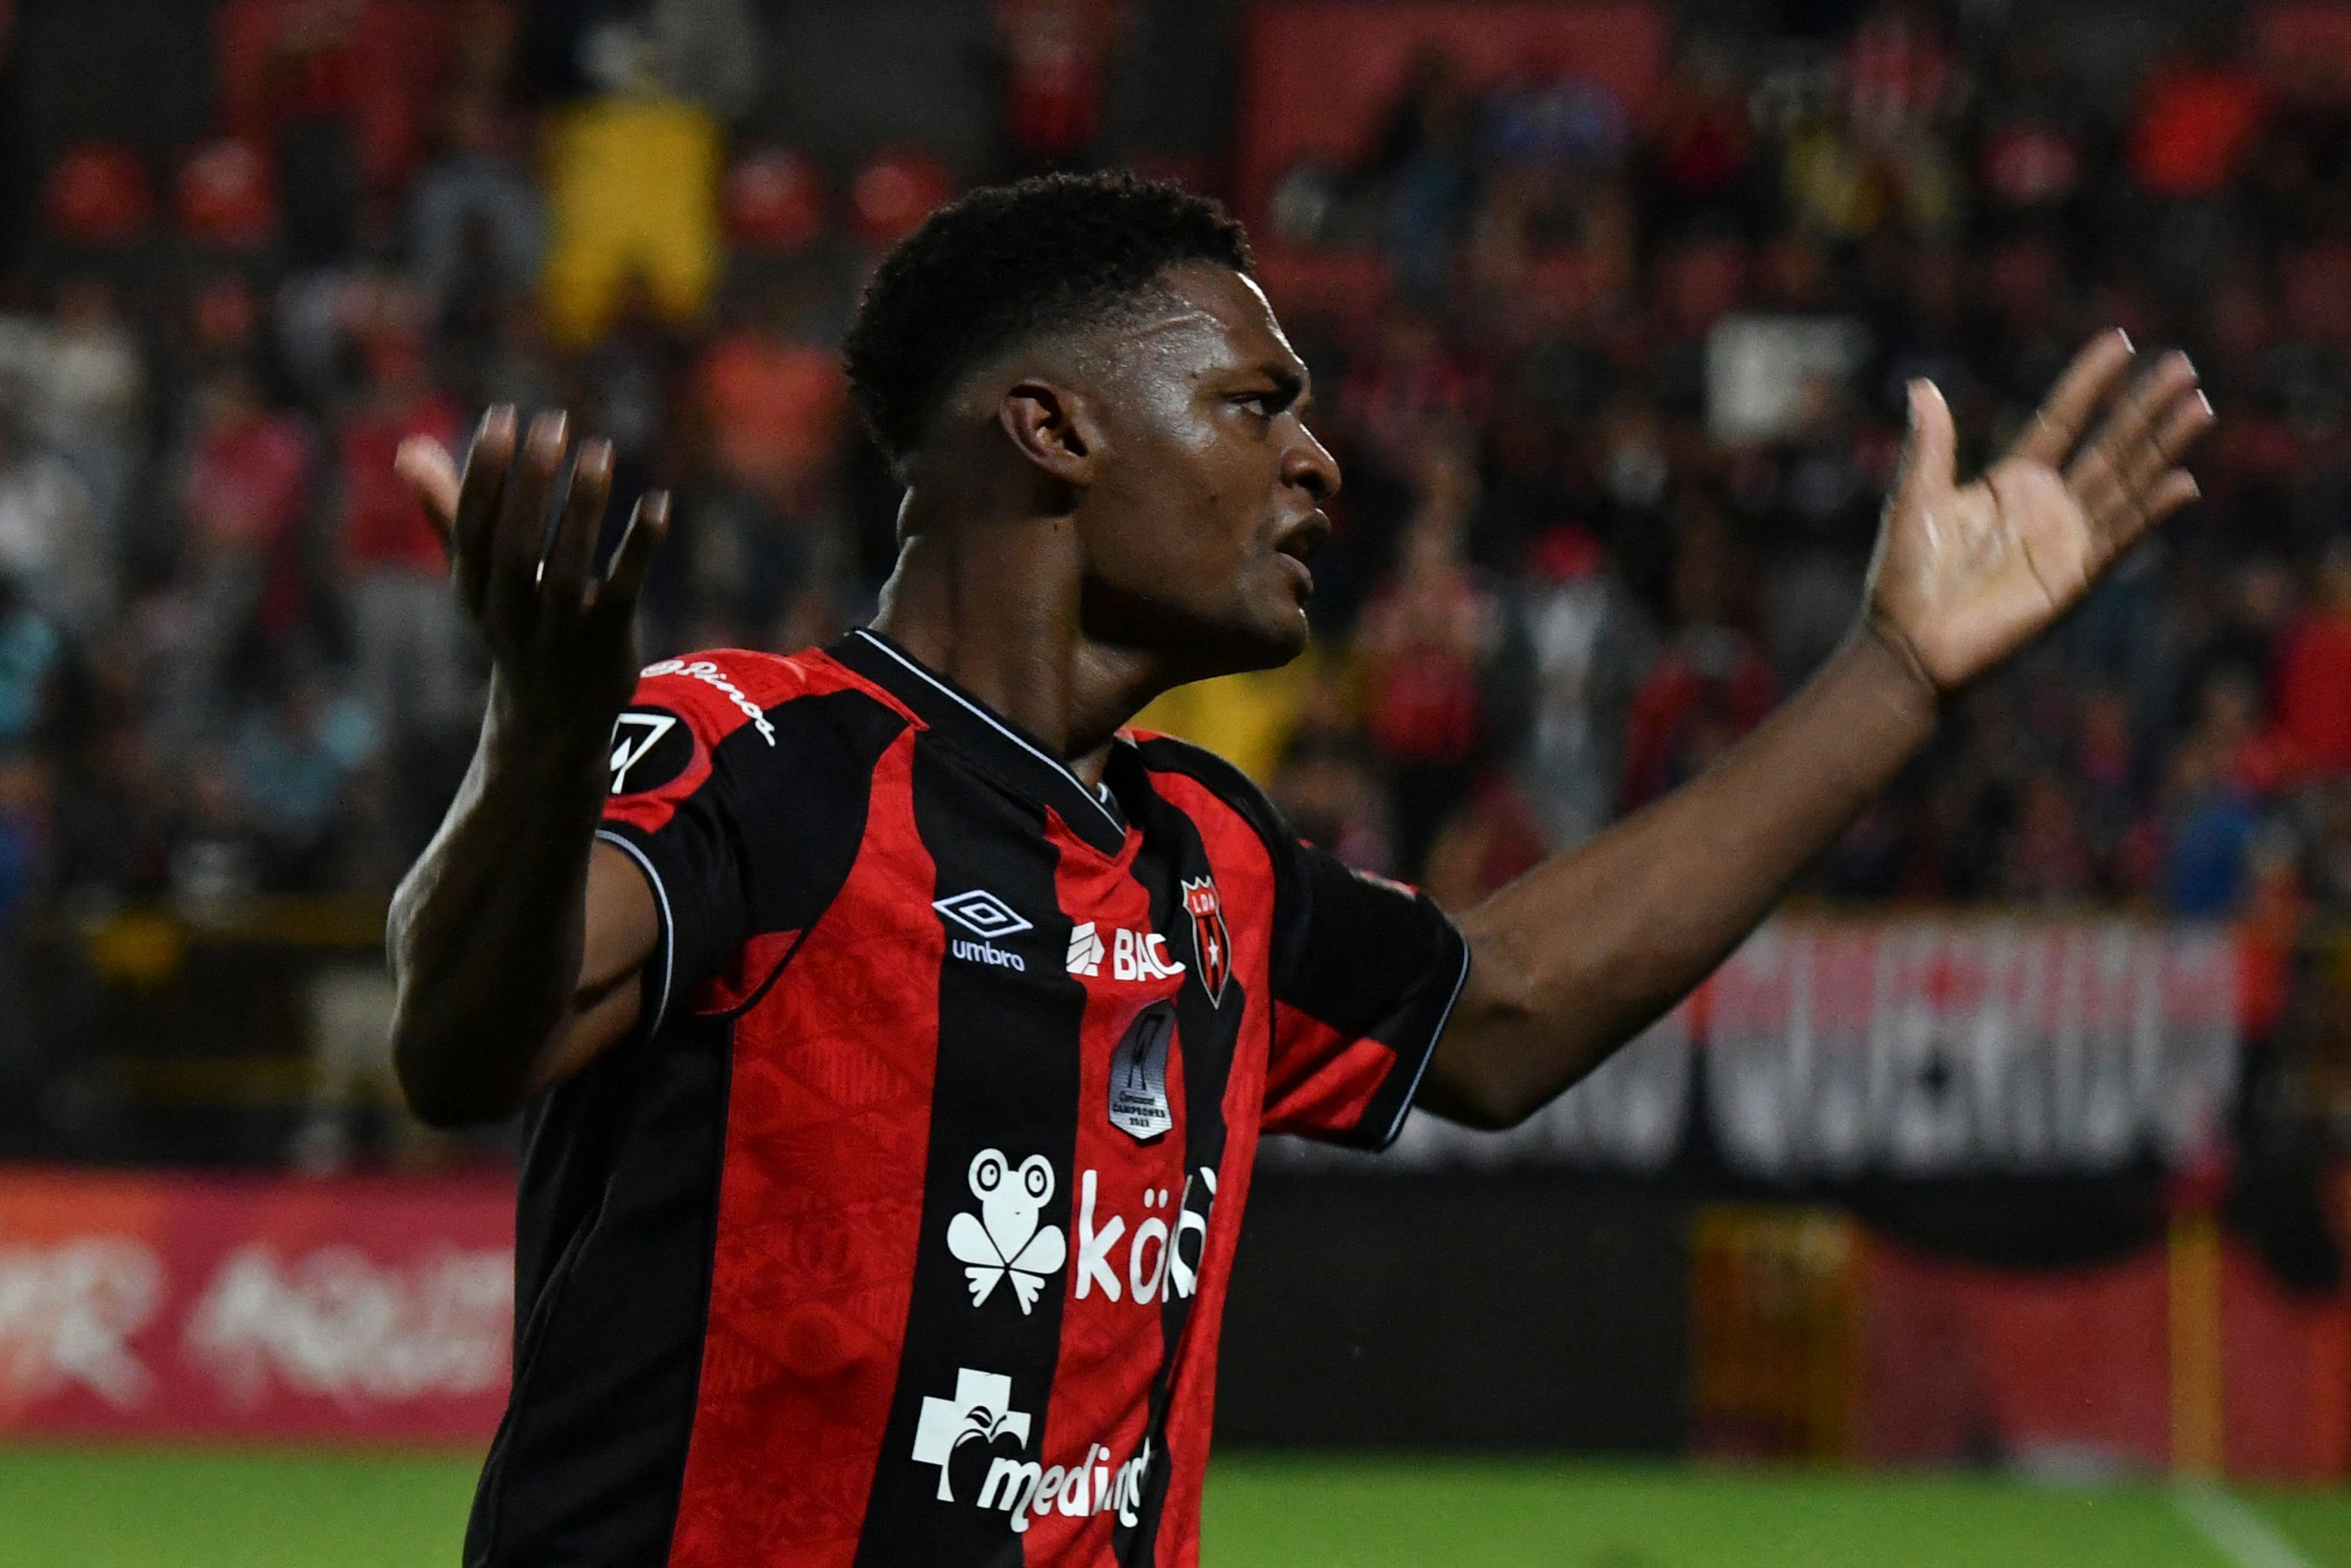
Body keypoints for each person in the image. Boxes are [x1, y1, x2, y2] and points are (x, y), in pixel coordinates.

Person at [386, 173, 2210, 1566]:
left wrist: (1894, 679)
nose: (1323, 463)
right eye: (1258, 405)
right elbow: (470, 1042)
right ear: (1054, 426)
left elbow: (1501, 1019)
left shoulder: (1205, 856)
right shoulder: (763, 754)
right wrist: (547, 727)